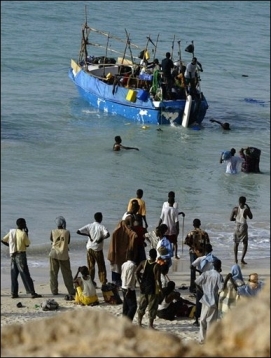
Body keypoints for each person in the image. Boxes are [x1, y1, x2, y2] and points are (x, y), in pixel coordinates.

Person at [1, 218, 42, 299]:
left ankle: (14, 293)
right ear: (22, 224)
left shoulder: (12, 232)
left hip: (13, 254)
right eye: (25, 223)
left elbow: (3, 240)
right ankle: (32, 292)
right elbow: (27, 244)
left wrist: (11, 247)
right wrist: (27, 233)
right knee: (25, 273)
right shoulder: (23, 234)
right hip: (21, 255)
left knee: (14, 274)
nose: (25, 224)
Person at [195, 259, 224, 344]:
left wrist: (201, 290)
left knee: (202, 319)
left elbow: (196, 282)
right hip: (213, 300)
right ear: (219, 266)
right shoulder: (218, 276)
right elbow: (221, 288)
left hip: (205, 298)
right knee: (211, 321)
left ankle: (202, 339)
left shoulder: (205, 273)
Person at [77, 212, 110, 287]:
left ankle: (91, 282)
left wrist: (88, 234)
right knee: (101, 266)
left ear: (94, 218)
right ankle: (103, 282)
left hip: (89, 248)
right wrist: (101, 238)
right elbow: (108, 234)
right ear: (101, 218)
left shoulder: (89, 226)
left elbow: (78, 231)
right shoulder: (102, 227)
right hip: (97, 249)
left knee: (91, 266)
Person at [193, 243, 219, 327]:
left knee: (199, 300)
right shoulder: (215, 259)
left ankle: (197, 320)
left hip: (202, 279)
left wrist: (199, 272)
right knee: (211, 299)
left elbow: (191, 266)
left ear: (204, 250)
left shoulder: (201, 259)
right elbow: (219, 269)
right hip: (212, 279)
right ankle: (210, 318)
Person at [49, 216, 75, 298]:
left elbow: (51, 240)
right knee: (67, 273)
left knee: (53, 273)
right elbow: (68, 242)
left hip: (53, 253)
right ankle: (71, 290)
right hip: (64, 254)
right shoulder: (67, 232)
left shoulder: (53, 231)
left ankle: (54, 291)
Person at [136, 248, 162, 329]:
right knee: (152, 307)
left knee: (141, 306)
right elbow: (158, 280)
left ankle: (139, 323)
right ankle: (150, 325)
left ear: (149, 255)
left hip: (143, 287)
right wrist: (161, 289)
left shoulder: (143, 263)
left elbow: (136, 272)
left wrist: (140, 283)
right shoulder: (157, 266)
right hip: (152, 289)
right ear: (156, 256)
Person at [107, 219, 138, 287]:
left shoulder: (115, 232)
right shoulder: (128, 232)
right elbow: (134, 235)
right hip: (124, 255)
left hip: (116, 254)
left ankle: (115, 284)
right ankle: (121, 284)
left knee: (116, 268)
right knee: (122, 269)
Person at [184, 218, 210, 293]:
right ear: (200, 224)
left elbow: (186, 241)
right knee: (202, 270)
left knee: (193, 269)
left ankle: (192, 287)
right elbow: (208, 244)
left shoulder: (191, 233)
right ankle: (202, 285)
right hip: (202, 253)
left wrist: (193, 247)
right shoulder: (204, 233)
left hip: (193, 252)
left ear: (193, 225)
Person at [230, 196, 253, 264]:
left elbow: (230, 219)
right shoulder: (246, 210)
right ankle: (242, 259)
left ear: (239, 201)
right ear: (245, 202)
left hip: (237, 226)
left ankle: (235, 259)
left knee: (236, 243)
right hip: (243, 226)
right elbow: (251, 217)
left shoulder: (235, 209)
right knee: (245, 243)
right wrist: (249, 208)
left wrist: (236, 219)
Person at [121, 250, 137, 321]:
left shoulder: (124, 264)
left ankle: (124, 320)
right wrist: (129, 288)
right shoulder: (133, 265)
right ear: (133, 256)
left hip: (123, 285)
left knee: (126, 305)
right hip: (129, 288)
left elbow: (122, 275)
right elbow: (130, 277)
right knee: (133, 306)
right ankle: (128, 321)